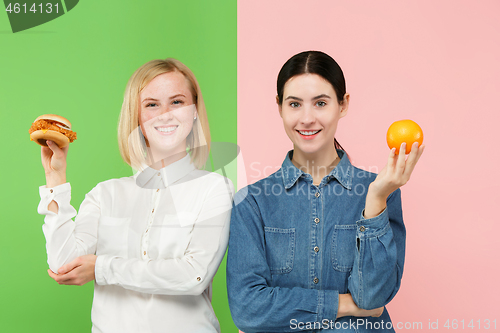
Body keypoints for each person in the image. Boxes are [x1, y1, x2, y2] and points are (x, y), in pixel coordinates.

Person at [226, 51, 425, 332]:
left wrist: (376, 200)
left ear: (343, 105)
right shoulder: (252, 202)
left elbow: (372, 297)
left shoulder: (381, 192)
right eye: (294, 104)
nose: (307, 118)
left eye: (320, 103)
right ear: (279, 106)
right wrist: (342, 305)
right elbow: (248, 309)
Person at [37, 58, 234, 333]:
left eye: (177, 102)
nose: (165, 114)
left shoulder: (214, 188)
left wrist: (103, 268)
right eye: (152, 104)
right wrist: (55, 179)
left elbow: (193, 276)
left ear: (195, 111)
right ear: (137, 116)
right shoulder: (105, 194)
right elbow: (63, 264)